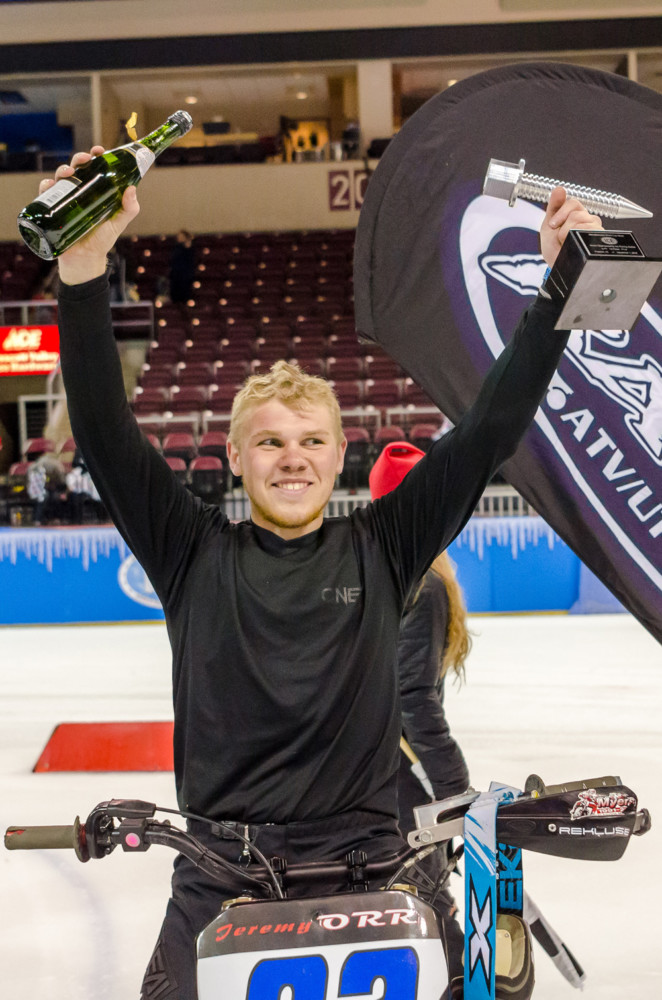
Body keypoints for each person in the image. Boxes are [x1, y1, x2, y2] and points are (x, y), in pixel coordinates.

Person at [39, 145, 602, 999]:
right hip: (221, 878)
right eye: (269, 441)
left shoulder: (384, 545)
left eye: (310, 442)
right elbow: (108, 433)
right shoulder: (191, 553)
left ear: (343, 454)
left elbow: (490, 427)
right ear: (233, 456)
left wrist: (559, 287)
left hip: (379, 871)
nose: (291, 460)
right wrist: (82, 269)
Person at [169, 228, 196, 304]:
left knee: (184, 294)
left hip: (185, 275)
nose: (179, 238)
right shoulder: (176, 247)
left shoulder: (188, 248)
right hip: (176, 275)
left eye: (181, 236)